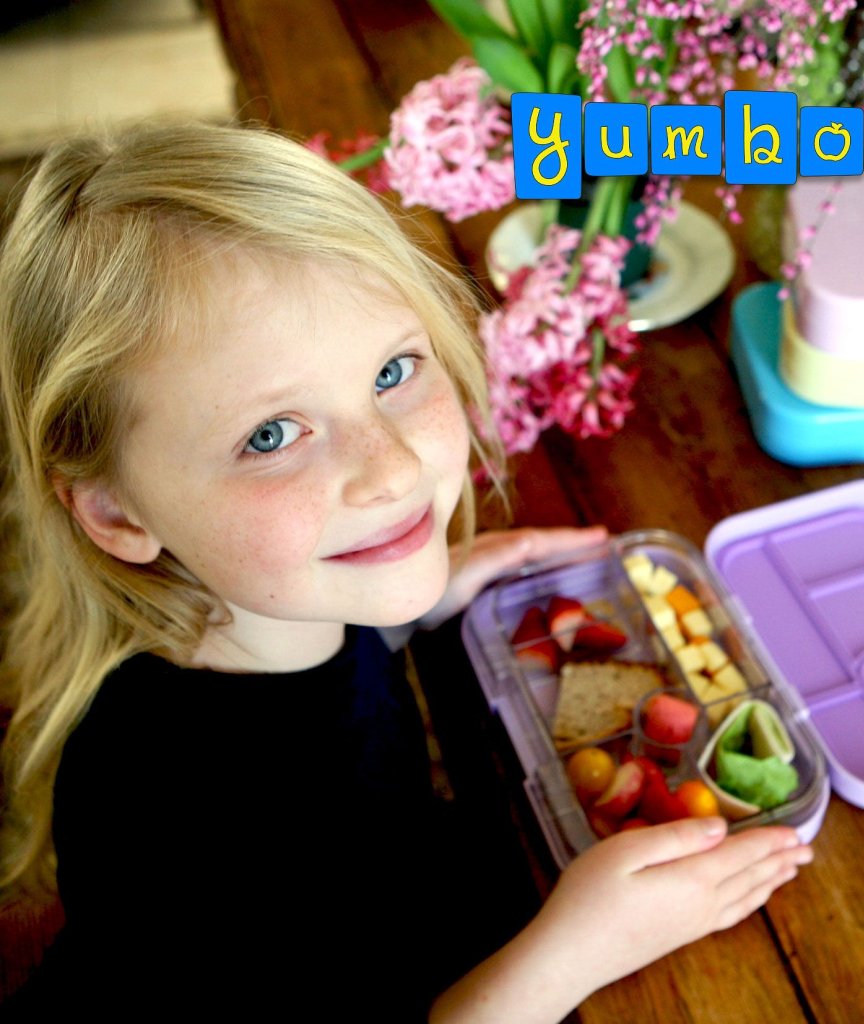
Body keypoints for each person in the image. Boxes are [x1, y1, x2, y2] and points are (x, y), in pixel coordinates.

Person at [0, 120, 813, 1021]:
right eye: (271, 435)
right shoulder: (164, 827)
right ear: (118, 513)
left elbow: (315, 701)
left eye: (393, 371)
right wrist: (574, 952)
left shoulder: (281, 612)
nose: (390, 470)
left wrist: (402, 609)